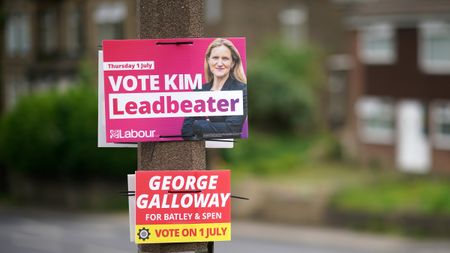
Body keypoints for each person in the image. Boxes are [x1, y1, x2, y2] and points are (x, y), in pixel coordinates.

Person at [181, 38, 247, 140]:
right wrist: (217, 127)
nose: (219, 63)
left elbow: (232, 129)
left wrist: (199, 125)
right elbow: (186, 131)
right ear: (208, 60)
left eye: (225, 58)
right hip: (200, 151)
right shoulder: (198, 91)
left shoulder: (241, 90)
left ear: (232, 63)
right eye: (215, 58)